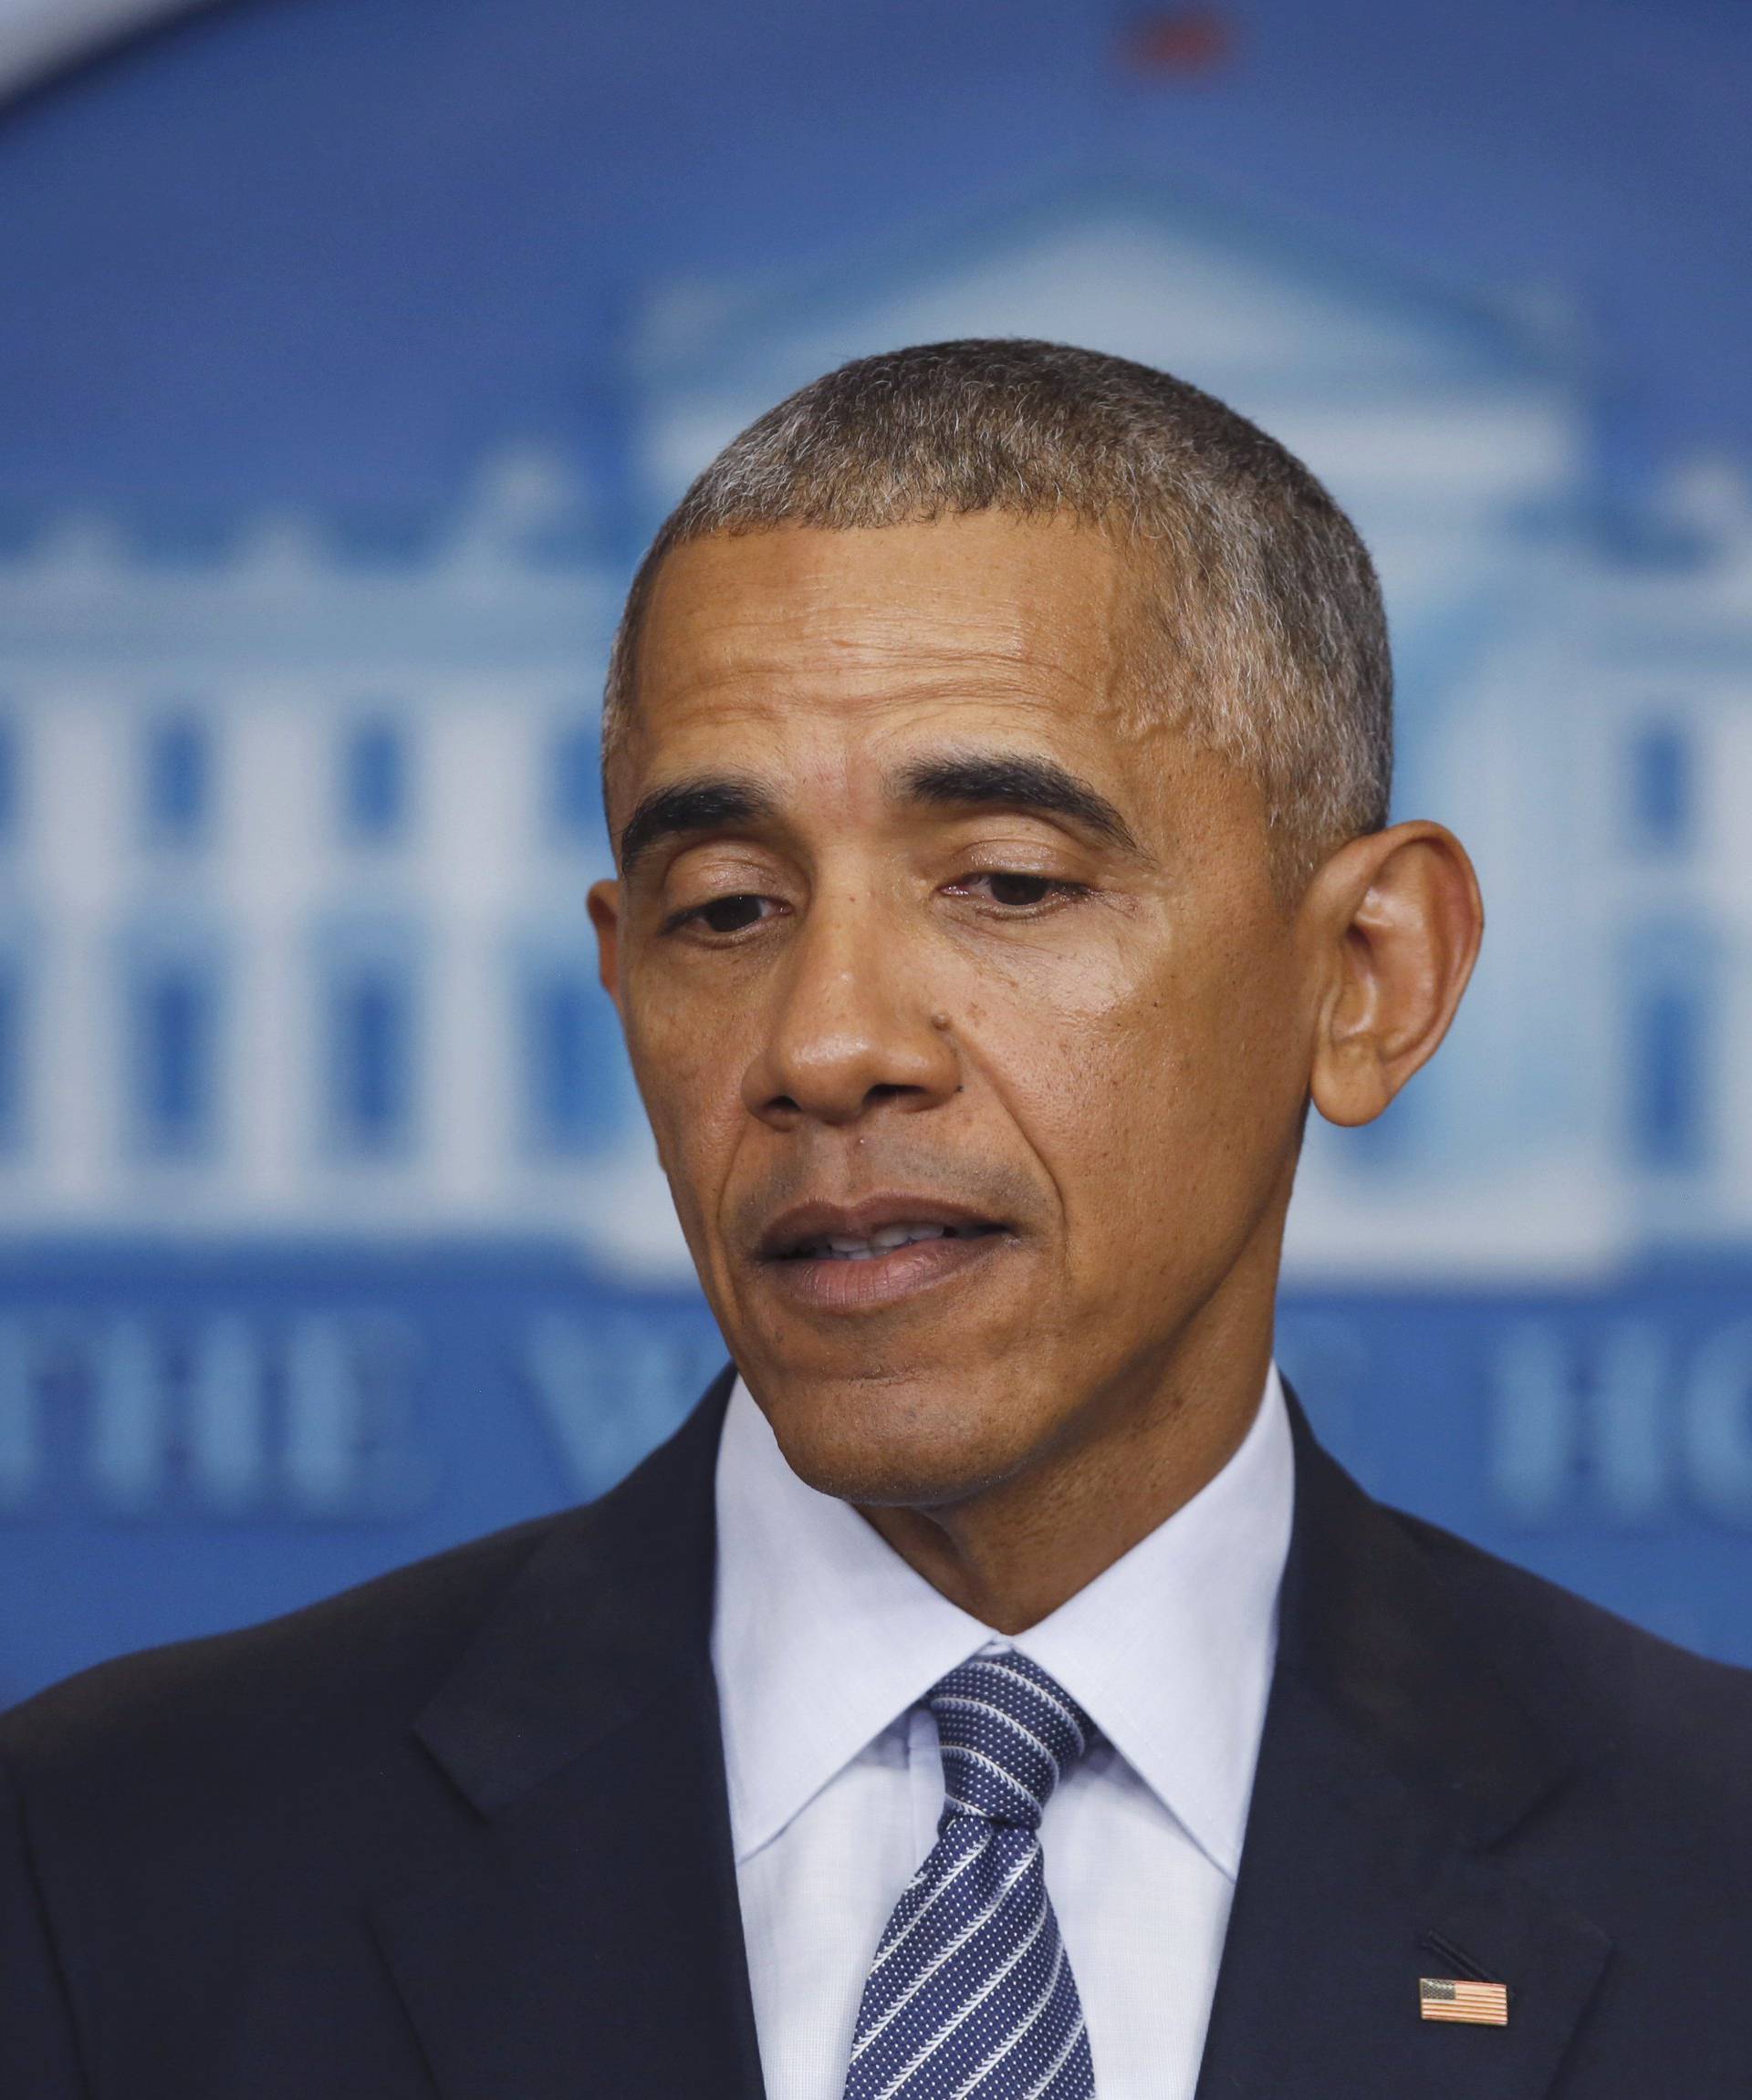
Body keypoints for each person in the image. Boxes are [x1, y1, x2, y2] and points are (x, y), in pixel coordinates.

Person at [3, 340, 1748, 2100]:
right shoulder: (107, 1865)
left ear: (1372, 975)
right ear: (621, 980)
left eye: (1007, 883)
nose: (826, 1043)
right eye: (728, 908)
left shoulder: (1710, 1876)